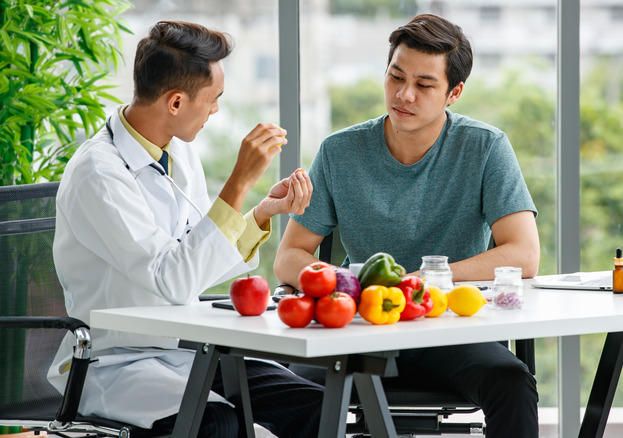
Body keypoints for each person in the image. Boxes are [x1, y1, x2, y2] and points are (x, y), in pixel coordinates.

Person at [48, 21, 322, 437]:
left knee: (313, 405)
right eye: (213, 100)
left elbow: (193, 261)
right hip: (116, 361)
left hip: (185, 350)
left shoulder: (178, 152)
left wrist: (261, 214)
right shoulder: (97, 174)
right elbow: (172, 280)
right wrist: (238, 183)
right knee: (220, 425)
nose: (216, 111)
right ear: (175, 101)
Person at [274, 13, 540, 437]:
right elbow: (289, 256)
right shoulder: (340, 151)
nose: (404, 95)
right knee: (283, 389)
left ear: (454, 92)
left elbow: (524, 255)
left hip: (450, 331)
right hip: (358, 331)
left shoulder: (486, 147)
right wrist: (348, 284)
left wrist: (424, 279)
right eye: (395, 77)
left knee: (512, 382)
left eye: (424, 85)